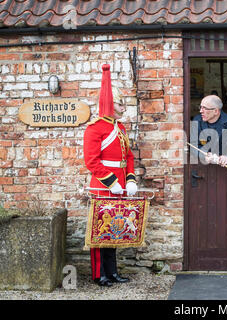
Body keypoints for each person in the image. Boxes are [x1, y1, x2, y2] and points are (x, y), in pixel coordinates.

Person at [83, 64, 137, 287]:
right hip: (104, 185)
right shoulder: (95, 129)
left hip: (120, 187)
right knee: (99, 232)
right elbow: (92, 161)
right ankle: (99, 274)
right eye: (120, 103)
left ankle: (113, 271)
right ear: (110, 105)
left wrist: (131, 180)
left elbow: (129, 157)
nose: (123, 107)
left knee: (115, 229)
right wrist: (112, 182)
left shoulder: (120, 128)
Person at [192, 95, 227, 166]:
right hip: (203, 168)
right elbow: (193, 145)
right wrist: (203, 155)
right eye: (200, 107)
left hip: (224, 170)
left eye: (204, 108)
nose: (201, 111)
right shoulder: (197, 121)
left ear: (216, 111)